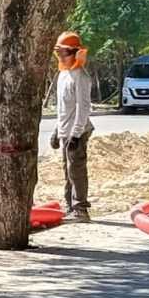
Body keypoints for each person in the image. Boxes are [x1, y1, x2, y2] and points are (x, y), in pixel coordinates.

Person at [49, 31, 93, 222]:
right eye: (59, 52)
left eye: (65, 52)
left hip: (78, 131)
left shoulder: (80, 77)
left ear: (76, 53)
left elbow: (83, 108)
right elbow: (62, 109)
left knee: (76, 170)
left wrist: (75, 135)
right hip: (65, 131)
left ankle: (80, 209)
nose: (61, 56)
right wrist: (57, 130)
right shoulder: (63, 75)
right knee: (67, 171)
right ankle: (70, 206)